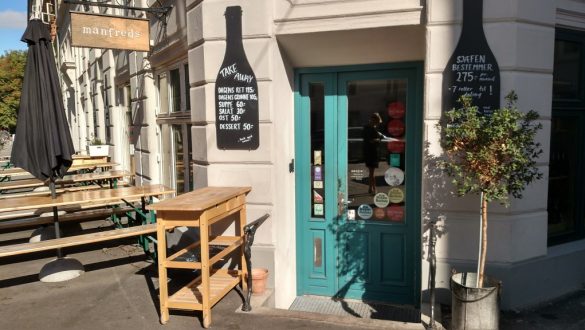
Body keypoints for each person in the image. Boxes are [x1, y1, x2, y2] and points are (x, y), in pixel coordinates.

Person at [363, 112, 386, 194]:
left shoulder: (369, 127)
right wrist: (378, 139)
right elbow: (371, 140)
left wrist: (379, 136)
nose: (377, 124)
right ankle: (373, 188)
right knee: (371, 172)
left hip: (370, 151)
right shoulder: (369, 128)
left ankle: (371, 188)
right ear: (374, 120)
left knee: (371, 171)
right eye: (376, 122)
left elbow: (370, 138)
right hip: (371, 152)